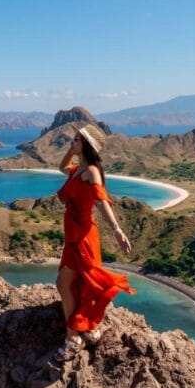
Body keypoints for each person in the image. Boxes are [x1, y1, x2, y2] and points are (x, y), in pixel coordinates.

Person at [53, 123, 134, 362]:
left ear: (86, 145)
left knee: (65, 282)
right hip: (72, 236)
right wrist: (71, 150)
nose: (72, 141)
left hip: (84, 237)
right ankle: (86, 330)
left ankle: (73, 337)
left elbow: (102, 202)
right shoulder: (78, 169)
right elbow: (62, 166)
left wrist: (117, 230)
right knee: (73, 285)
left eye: (76, 140)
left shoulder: (92, 173)